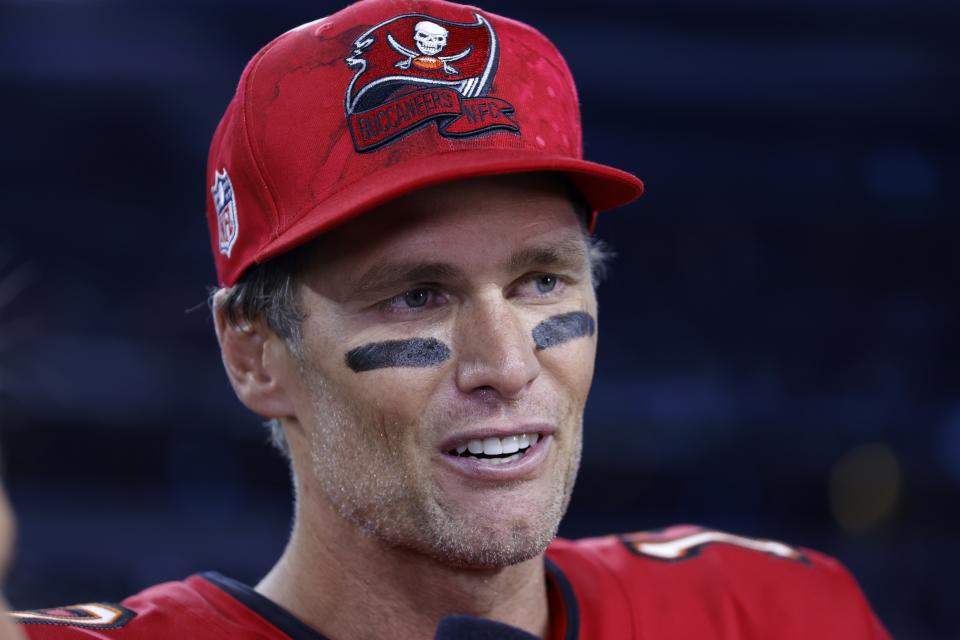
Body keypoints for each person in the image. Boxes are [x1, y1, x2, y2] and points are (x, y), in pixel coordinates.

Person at [10, 0, 890, 638]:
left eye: (543, 280)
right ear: (254, 355)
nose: (506, 364)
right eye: (415, 294)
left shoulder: (772, 610)